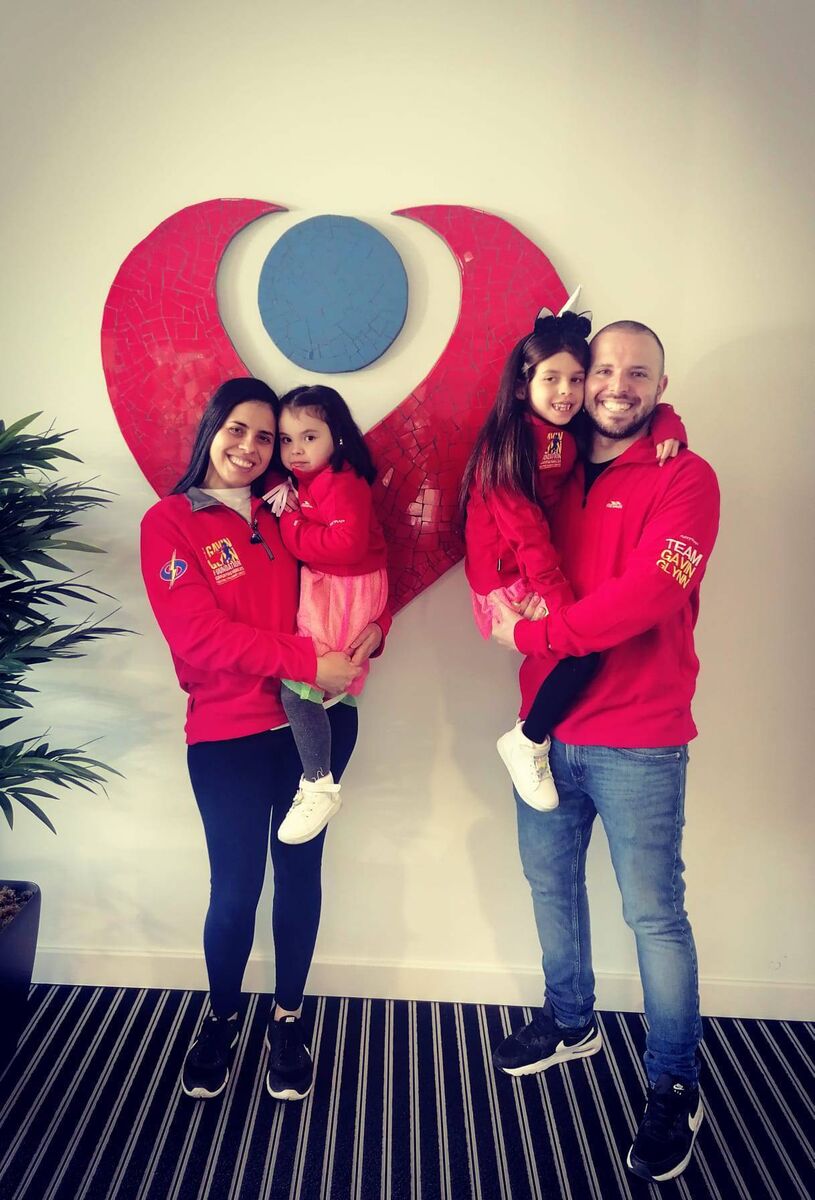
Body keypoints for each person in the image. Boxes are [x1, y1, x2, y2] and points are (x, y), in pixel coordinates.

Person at [490, 321, 720, 1184]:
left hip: (639, 737)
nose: (616, 384)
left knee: (652, 916)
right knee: (550, 887)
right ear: (576, 380)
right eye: (603, 369)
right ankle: (570, 1018)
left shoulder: (686, 479)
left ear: (660, 383)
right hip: (540, 736)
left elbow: (654, 590)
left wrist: (545, 632)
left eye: (637, 372)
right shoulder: (542, 470)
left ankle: (674, 1084)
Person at [140, 377, 387, 1104]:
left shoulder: (290, 508)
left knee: (301, 876)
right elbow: (200, 636)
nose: (252, 448)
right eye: (238, 430)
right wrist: (309, 660)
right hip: (227, 734)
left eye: (267, 436)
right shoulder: (171, 523)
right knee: (236, 888)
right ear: (210, 430)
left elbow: (356, 570)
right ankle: (219, 1018)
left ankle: (286, 1019)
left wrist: (379, 628)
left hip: (319, 721)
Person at [462, 304, 685, 809]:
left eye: (578, 378)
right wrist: (558, 604)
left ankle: (527, 737)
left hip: (638, 729)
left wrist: (667, 423)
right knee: (583, 647)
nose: (568, 391)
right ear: (522, 386)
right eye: (553, 379)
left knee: (583, 642)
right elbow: (527, 533)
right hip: (510, 581)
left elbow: (634, 412)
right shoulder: (512, 445)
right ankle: (527, 738)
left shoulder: (571, 435)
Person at [269, 384, 388, 845]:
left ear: (336, 436)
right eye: (285, 439)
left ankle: (318, 782)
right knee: (329, 685)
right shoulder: (314, 481)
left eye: (308, 437)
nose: (295, 450)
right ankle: (320, 776)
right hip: (345, 589)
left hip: (343, 590)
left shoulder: (341, 481)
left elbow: (346, 544)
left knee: (301, 689)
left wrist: (291, 525)